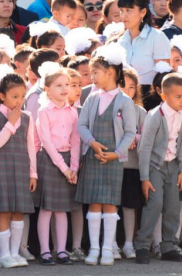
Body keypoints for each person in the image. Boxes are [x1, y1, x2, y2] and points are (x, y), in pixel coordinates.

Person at [76, 44, 136, 266]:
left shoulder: (125, 101)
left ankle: (108, 249)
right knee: (94, 203)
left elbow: (130, 132)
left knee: (110, 204)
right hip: (93, 156)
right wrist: (92, 143)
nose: (92, 77)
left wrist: (116, 154)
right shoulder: (91, 98)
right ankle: (93, 249)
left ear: (110, 72)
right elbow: (81, 125)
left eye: (95, 72)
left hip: (112, 160)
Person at [134, 73, 182, 264]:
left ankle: (168, 246)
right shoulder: (155, 116)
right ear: (164, 96)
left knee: (173, 207)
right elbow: (144, 148)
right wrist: (144, 178)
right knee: (155, 204)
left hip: (174, 166)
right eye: (178, 96)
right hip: (155, 167)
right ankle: (142, 245)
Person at [0, 72, 38, 268]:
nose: (19, 101)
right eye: (14, 96)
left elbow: (31, 146)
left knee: (19, 212)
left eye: (22, 96)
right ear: (2, 96)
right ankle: (4, 255)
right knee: (5, 212)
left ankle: (15, 253)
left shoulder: (27, 117)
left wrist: (33, 174)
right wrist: (11, 122)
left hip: (22, 170)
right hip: (2, 170)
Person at [35, 67, 80, 266]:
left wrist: (74, 167)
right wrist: (64, 169)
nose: (64, 89)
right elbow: (47, 142)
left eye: (67, 85)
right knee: (47, 209)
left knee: (62, 209)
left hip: (68, 161)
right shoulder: (44, 112)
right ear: (47, 90)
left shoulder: (73, 112)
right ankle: (45, 251)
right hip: (50, 161)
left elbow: (76, 140)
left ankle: (61, 250)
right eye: (59, 85)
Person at [117, 0, 171, 111]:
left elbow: (163, 76)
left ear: (143, 12)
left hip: (150, 100)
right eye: (122, 11)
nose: (124, 15)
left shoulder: (157, 37)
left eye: (129, 10)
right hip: (123, 98)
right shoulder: (120, 40)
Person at [117, 68, 146, 260]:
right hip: (113, 164)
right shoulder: (110, 107)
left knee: (129, 206)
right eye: (123, 86)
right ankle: (110, 243)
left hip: (132, 165)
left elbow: (146, 136)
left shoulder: (140, 111)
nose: (127, 91)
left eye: (132, 87)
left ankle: (129, 242)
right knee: (111, 205)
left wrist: (136, 137)